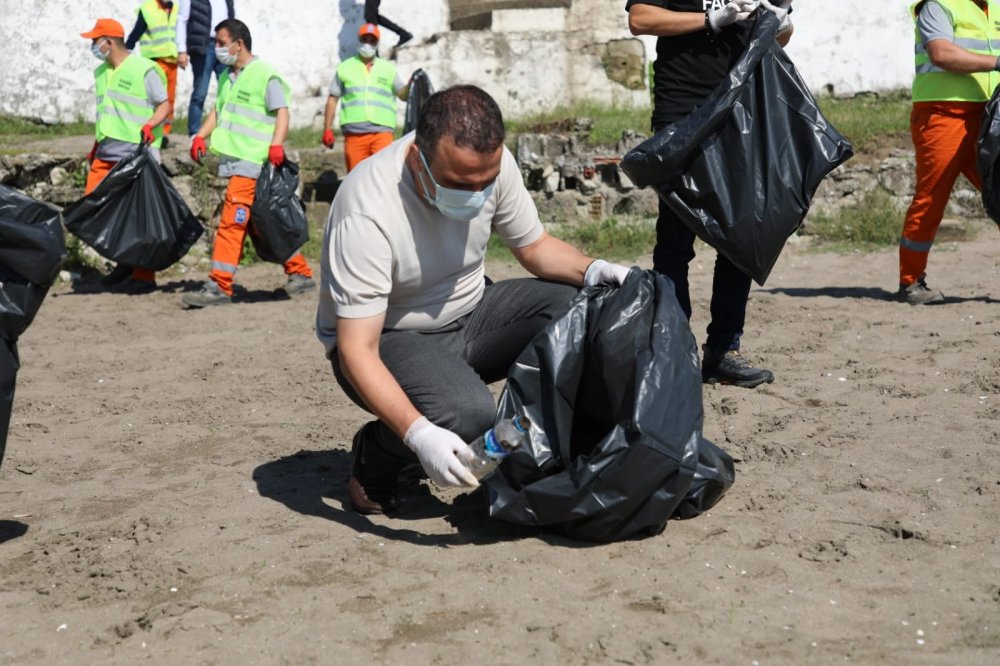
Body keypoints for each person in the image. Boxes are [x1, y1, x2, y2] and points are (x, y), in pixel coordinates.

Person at [317, 85, 632, 514]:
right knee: (467, 417)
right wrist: (417, 434)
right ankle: (378, 450)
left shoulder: (491, 165)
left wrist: (596, 270)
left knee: (583, 312)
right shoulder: (367, 209)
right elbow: (356, 350)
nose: (476, 195)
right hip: (392, 335)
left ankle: (545, 450)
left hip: (475, 311)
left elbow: (534, 248)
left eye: (485, 183)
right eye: (459, 184)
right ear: (417, 158)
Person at [626, 0, 794, 389]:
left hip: (741, 109)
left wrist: (777, 19)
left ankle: (724, 350)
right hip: (682, 108)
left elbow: (782, 39)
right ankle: (673, 347)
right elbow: (640, 20)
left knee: (740, 232)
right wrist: (708, 20)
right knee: (675, 236)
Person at [183, 18, 315, 308]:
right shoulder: (230, 77)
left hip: (253, 162)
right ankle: (300, 273)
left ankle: (219, 285)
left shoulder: (264, 75)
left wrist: (277, 144)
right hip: (236, 161)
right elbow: (219, 113)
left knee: (231, 223)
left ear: (238, 44)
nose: (216, 47)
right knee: (262, 223)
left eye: (220, 42)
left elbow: (282, 111)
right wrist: (200, 136)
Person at [899, 0, 1000, 304]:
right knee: (932, 197)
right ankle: (911, 281)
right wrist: (997, 62)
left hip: (986, 117)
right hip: (942, 116)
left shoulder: (993, 7)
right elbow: (941, 53)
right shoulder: (939, 5)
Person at [82, 18, 172, 295]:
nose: (92, 46)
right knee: (95, 208)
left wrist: (149, 125)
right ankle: (124, 262)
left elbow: (164, 105)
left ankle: (142, 275)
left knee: (139, 216)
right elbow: (106, 114)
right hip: (106, 151)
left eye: (95, 41)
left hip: (137, 153)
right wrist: (96, 145)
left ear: (109, 42)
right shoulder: (101, 72)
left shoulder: (145, 69)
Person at [322, 23, 410, 172]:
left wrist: (411, 86)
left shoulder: (387, 69)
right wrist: (327, 129)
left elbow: (402, 94)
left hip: (382, 134)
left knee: (383, 177)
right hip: (354, 135)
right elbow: (332, 98)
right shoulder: (345, 68)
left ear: (377, 43)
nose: (368, 44)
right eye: (365, 39)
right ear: (359, 40)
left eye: (372, 40)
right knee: (356, 180)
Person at [176, 0, 236, 137]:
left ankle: (224, 130)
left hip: (225, 45)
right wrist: (181, 50)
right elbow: (182, 19)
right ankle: (194, 133)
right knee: (200, 92)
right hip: (204, 45)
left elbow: (232, 20)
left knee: (228, 90)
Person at [126, 0, 179, 142]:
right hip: (155, 61)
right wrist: (125, 52)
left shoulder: (176, 8)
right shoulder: (148, 8)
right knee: (158, 99)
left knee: (170, 99)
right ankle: (153, 130)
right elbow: (136, 32)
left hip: (173, 61)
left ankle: (164, 133)